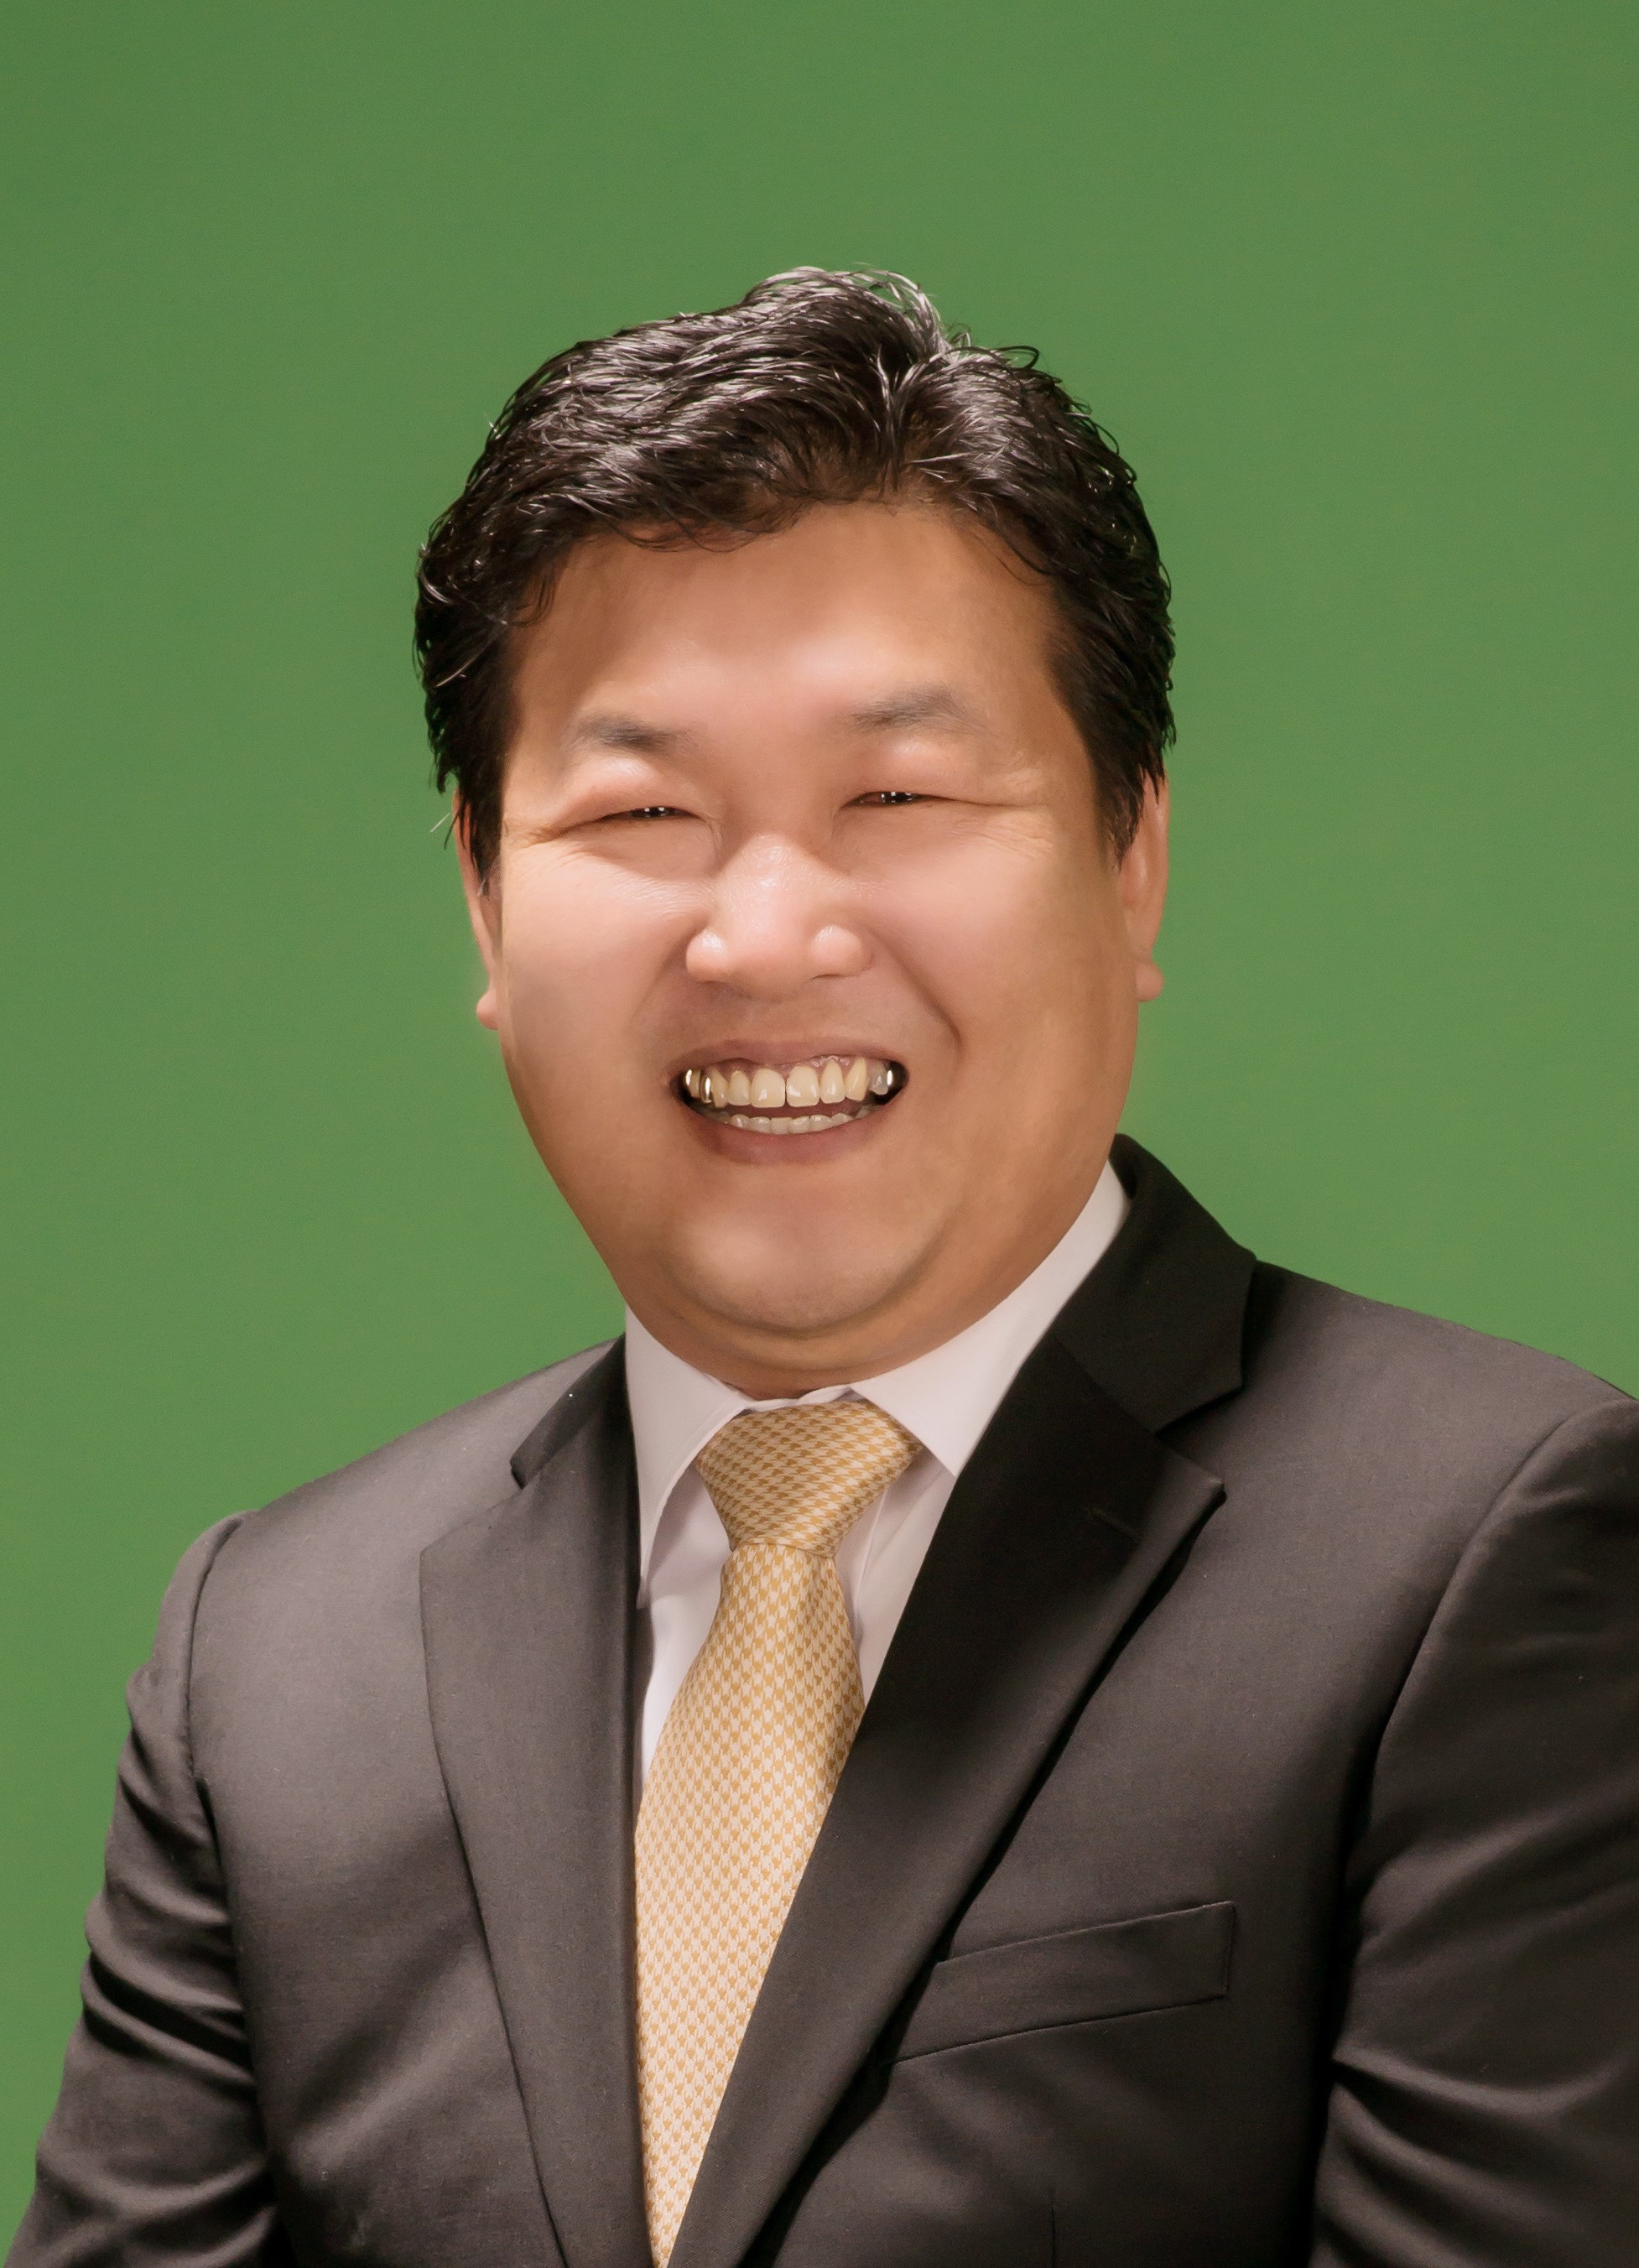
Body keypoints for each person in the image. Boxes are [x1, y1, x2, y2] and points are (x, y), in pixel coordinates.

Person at [12, 269, 1638, 2268]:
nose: (765, 934)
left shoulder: (1484, 1548)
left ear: (1130, 853)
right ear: (485, 900)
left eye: (896, 796)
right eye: (644, 809)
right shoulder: (273, 1659)